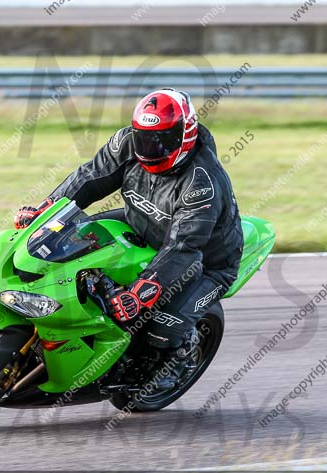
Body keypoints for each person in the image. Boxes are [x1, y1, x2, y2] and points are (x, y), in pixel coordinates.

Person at [14, 88, 243, 388]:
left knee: (162, 326)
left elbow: (183, 248)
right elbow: (88, 179)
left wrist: (139, 293)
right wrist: (47, 210)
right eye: (144, 137)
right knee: (70, 244)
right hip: (140, 223)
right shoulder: (126, 143)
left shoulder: (202, 182)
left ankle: (178, 359)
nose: (150, 147)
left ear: (184, 136)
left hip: (206, 261)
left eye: (162, 139)